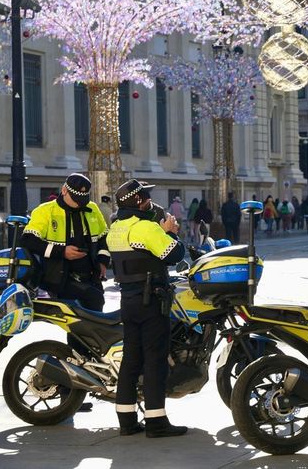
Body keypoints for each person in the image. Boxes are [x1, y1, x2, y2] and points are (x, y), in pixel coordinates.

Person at [107, 179, 188, 438]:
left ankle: (127, 420)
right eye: (147, 199)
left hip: (128, 301)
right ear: (139, 202)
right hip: (151, 300)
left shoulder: (116, 229)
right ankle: (156, 422)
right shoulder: (144, 228)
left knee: (131, 360)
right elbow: (174, 255)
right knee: (155, 360)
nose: (151, 202)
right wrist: (170, 232)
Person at [21, 173, 110, 312]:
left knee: (94, 310)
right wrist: (62, 252)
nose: (79, 204)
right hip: (60, 278)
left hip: (91, 275)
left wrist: (103, 261)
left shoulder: (92, 208)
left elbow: (104, 237)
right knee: (92, 300)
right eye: (76, 199)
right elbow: (28, 241)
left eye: (83, 200)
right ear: (64, 190)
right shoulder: (45, 211)